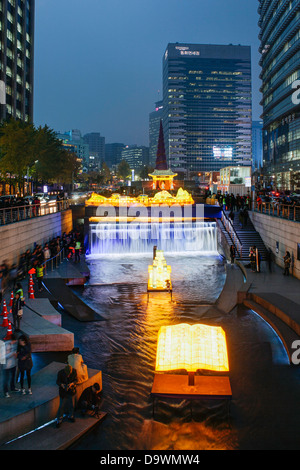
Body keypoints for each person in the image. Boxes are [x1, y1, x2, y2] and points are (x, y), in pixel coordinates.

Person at [3, 333, 19, 398]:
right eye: (14, 341)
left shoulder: (15, 344)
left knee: (13, 377)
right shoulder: (5, 345)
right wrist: (11, 354)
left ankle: (13, 388)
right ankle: (6, 391)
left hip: (13, 364)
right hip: (6, 366)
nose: (15, 342)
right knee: (6, 379)